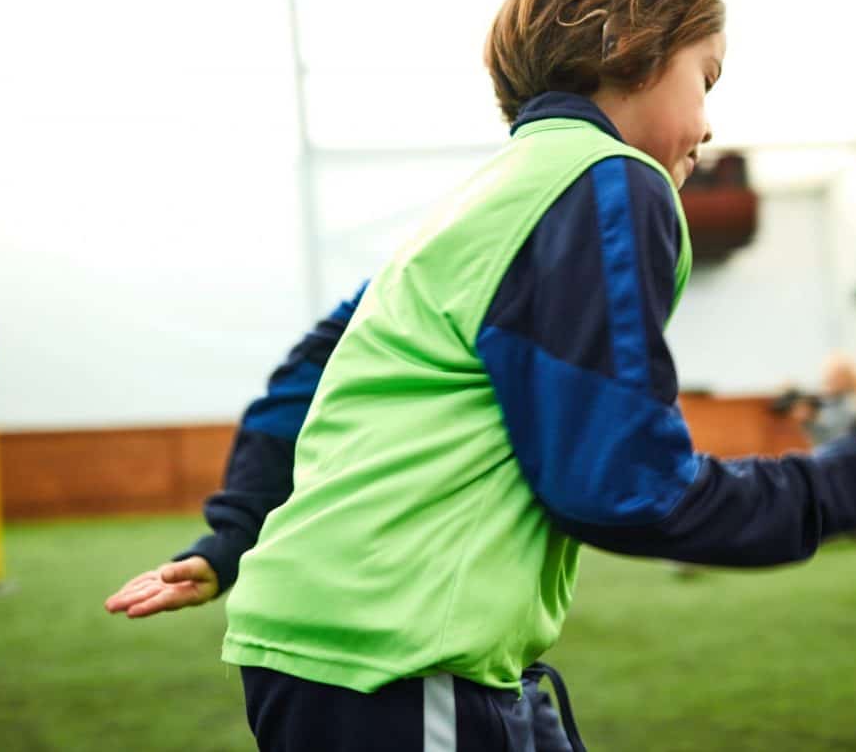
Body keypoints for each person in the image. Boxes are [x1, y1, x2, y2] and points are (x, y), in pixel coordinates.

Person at [220, 0, 856, 751]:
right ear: (637, 46)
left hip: (334, 648)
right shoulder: (609, 181)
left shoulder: (482, 198)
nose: (708, 127)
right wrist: (837, 487)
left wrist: (235, 529)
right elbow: (622, 482)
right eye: (706, 78)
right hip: (396, 658)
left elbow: (311, 367)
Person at [104, 284, 577, 750]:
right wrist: (234, 536)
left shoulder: (539, 258)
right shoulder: (421, 267)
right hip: (394, 647)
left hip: (479, 657)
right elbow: (297, 392)